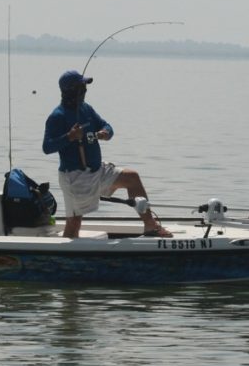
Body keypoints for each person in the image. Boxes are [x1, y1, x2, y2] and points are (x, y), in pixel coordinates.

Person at [43, 70, 172, 239]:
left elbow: (107, 126)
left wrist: (105, 132)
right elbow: (47, 147)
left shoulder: (86, 109)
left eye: (85, 86)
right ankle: (65, 258)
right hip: (75, 177)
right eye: (81, 86)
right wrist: (69, 137)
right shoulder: (57, 116)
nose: (85, 90)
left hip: (98, 170)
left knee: (131, 178)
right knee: (74, 223)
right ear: (71, 90)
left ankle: (151, 226)